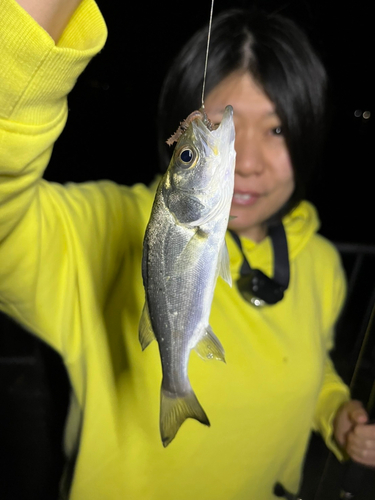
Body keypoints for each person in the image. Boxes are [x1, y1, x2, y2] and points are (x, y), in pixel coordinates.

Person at [1, 0, 374, 499]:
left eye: (278, 128)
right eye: (228, 122)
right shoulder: (103, 227)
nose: (250, 162)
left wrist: (335, 411)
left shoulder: (322, 263)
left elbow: (312, 363)